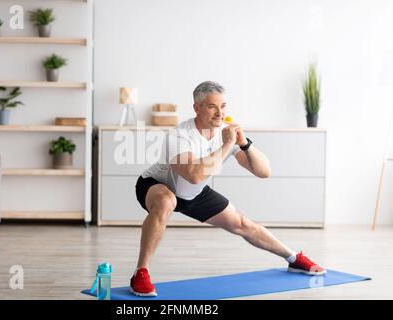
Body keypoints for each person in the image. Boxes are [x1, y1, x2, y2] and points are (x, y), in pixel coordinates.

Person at [130, 81, 326, 297]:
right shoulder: (179, 136)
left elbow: (264, 171)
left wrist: (244, 145)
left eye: (223, 106)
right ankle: (141, 272)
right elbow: (194, 175)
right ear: (197, 107)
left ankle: (293, 259)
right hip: (158, 185)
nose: (220, 113)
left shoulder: (225, 133)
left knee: (242, 223)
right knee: (167, 201)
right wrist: (226, 145)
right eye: (212, 106)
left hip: (193, 193)